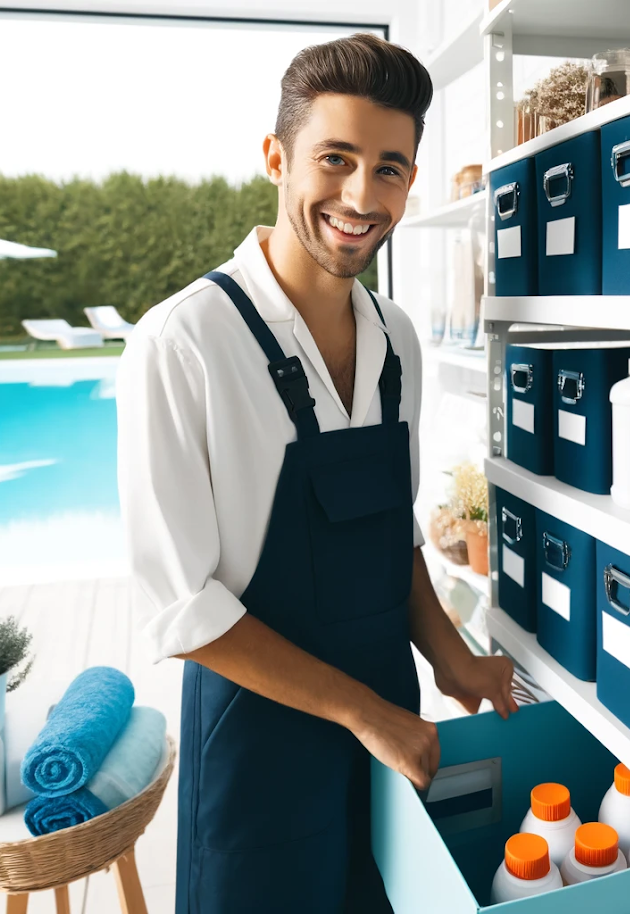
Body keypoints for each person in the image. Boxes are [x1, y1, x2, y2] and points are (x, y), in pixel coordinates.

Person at [116, 33, 520, 914]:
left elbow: (391, 534)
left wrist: (451, 657)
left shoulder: (396, 340)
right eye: (335, 160)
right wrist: (364, 713)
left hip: (388, 723)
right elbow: (183, 610)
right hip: (261, 749)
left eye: (390, 169)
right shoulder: (183, 344)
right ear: (276, 158)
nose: (361, 196)